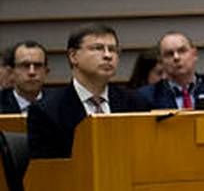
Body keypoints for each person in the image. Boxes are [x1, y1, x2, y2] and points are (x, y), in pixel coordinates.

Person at [27, 23, 146, 159]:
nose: (108, 56)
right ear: (73, 56)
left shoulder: (136, 103)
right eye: (98, 48)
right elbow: (48, 172)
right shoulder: (45, 111)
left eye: (113, 49)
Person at [138, 31, 204, 109]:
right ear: (161, 61)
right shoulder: (147, 96)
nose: (176, 57)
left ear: (194, 54)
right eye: (169, 54)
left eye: (182, 51)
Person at [0, 41, 51, 114]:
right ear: (12, 73)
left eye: (38, 66)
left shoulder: (61, 104)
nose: (32, 72)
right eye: (25, 66)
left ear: (46, 72)